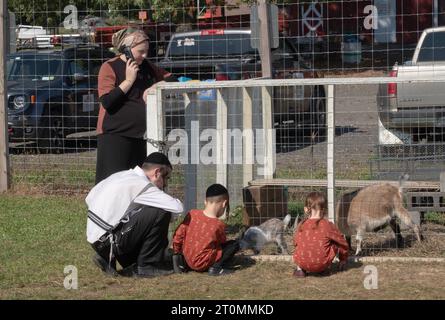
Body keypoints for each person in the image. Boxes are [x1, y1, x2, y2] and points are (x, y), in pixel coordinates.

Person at [86, 152, 183, 278]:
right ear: (157, 172)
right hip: (110, 241)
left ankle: (108, 256)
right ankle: (147, 265)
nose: (165, 184)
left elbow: (89, 198)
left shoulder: (122, 175)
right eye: (166, 178)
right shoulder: (143, 185)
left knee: (146, 212)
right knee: (161, 212)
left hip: (97, 239)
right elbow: (177, 207)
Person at [95, 29, 174, 184]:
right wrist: (129, 81)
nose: (144, 56)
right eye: (140, 51)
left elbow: (172, 78)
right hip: (115, 135)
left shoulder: (148, 67)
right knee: (113, 184)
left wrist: (157, 86)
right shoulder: (109, 67)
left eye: (147, 51)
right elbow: (107, 102)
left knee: (136, 184)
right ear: (126, 49)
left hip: (140, 136)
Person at [172, 184, 240, 276]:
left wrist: (177, 253)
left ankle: (181, 264)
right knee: (233, 245)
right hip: (203, 264)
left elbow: (178, 235)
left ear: (205, 201)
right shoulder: (218, 224)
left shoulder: (192, 214)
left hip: (187, 261)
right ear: (224, 203)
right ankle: (216, 268)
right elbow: (221, 244)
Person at [293, 192, 349, 278]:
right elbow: (342, 242)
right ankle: (323, 269)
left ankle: (300, 270)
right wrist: (343, 258)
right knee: (335, 242)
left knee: (300, 244)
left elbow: (295, 242)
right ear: (325, 210)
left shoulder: (301, 224)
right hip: (321, 263)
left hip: (302, 262)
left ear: (306, 209)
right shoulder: (327, 225)